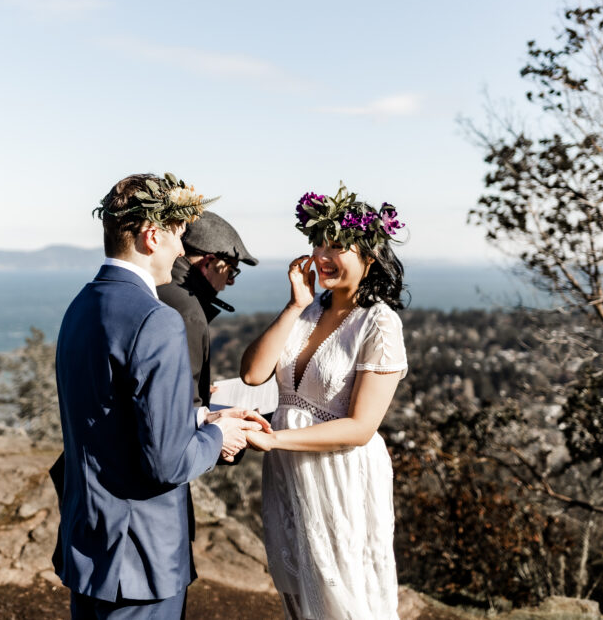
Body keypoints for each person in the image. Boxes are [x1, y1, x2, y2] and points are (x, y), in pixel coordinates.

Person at [51, 173, 269, 619]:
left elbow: (110, 419)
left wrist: (192, 420)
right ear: (153, 236)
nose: (181, 251)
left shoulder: (81, 306)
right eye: (177, 236)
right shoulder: (157, 319)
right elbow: (167, 463)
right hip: (139, 554)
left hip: (89, 541)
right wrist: (218, 435)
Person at [240, 184, 408, 619]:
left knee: (345, 598)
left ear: (369, 256)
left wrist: (275, 440)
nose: (322, 255)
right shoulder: (308, 313)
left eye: (338, 246)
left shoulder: (379, 324)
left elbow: (361, 427)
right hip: (289, 475)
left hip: (340, 474)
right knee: (299, 593)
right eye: (318, 244)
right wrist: (295, 304)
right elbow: (253, 373)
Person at [158, 211, 258, 409]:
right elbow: (184, 409)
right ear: (208, 263)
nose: (231, 281)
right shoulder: (188, 312)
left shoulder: (153, 286)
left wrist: (198, 386)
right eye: (231, 270)